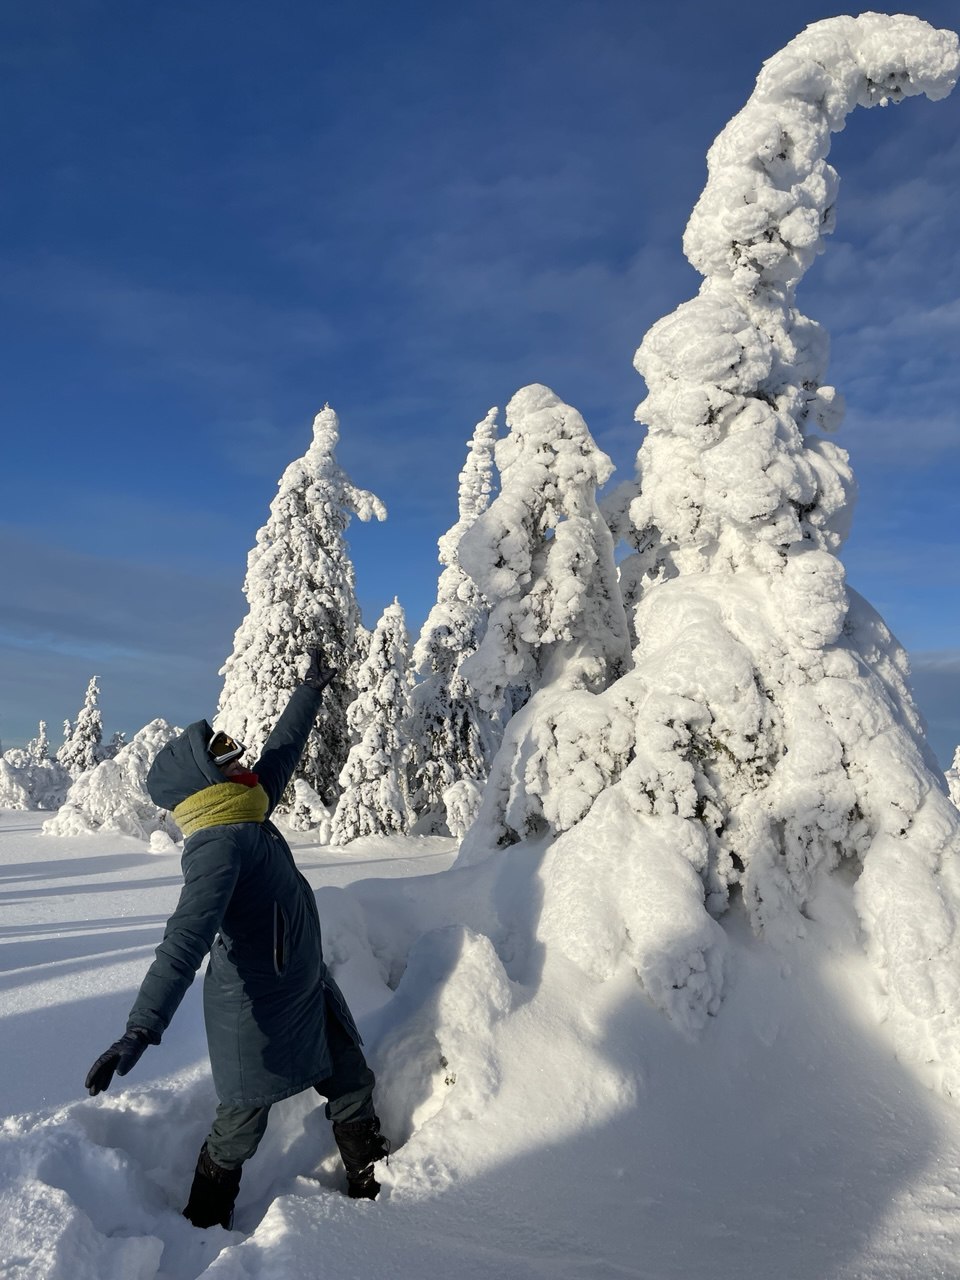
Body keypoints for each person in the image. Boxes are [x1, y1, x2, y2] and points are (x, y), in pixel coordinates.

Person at [83, 646, 388, 1230]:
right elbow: (184, 940)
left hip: (303, 986)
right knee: (240, 1125)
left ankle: (374, 1186)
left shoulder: (244, 810)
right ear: (204, 783)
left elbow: (280, 754)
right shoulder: (218, 846)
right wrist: (140, 1028)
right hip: (254, 1010)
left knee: (350, 1079)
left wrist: (308, 691)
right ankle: (201, 1222)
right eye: (223, 758)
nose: (239, 760)